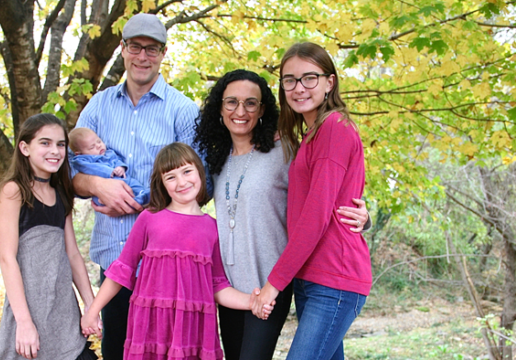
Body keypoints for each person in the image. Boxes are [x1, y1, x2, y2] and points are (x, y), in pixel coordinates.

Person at [194, 70, 370, 360]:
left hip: (270, 284)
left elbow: (324, 194)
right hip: (228, 289)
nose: (241, 111)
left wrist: (364, 216)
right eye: (231, 102)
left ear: (263, 109)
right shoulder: (215, 158)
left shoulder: (284, 151)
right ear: (219, 108)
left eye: (251, 103)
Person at [72, 13, 204, 360]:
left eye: (152, 49)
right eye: (135, 47)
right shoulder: (98, 105)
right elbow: (67, 172)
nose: (143, 56)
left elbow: (201, 183)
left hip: (167, 265)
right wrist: (98, 185)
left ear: (163, 53)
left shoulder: (183, 110)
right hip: (115, 258)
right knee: (118, 352)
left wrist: (147, 204)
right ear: (123, 49)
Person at [81, 143, 272, 359]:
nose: (181, 182)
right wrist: (93, 311)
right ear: (161, 183)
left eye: (187, 171)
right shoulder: (149, 218)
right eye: (170, 177)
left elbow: (218, 285)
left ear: (200, 172)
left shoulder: (211, 228)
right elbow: (121, 271)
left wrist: (251, 301)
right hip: (151, 328)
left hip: (192, 332)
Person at [253, 42, 371, 360]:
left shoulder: (334, 128)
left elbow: (316, 216)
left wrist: (273, 285)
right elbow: (338, 196)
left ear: (329, 82)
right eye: (289, 80)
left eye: (309, 78)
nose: (298, 87)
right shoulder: (312, 133)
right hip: (312, 278)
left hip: (334, 279)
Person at [0, 114, 97, 360]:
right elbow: (7, 258)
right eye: (45, 143)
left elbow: (72, 254)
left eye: (61, 144)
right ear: (25, 147)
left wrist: (90, 305)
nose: (55, 151)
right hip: (29, 309)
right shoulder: (14, 191)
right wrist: (24, 322)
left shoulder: (61, 193)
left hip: (63, 311)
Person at [69, 127, 150, 206]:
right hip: (106, 188)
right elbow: (93, 168)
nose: (98, 146)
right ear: (79, 153)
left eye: (99, 141)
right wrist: (108, 171)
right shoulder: (82, 161)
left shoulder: (108, 153)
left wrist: (120, 167)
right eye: (92, 147)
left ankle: (143, 194)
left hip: (122, 178)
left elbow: (117, 159)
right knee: (106, 198)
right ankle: (133, 202)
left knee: (133, 183)